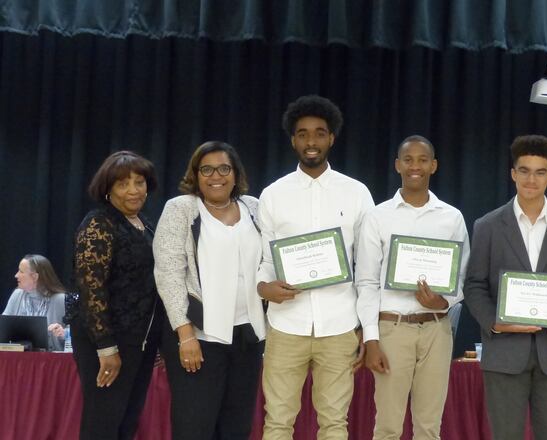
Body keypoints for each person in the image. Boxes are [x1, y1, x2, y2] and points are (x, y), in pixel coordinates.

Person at [256, 95, 374, 439]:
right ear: (293, 140)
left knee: (335, 424)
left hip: (339, 326)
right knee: (277, 422)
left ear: (331, 139)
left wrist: (367, 328)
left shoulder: (356, 193)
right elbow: (265, 262)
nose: (311, 141)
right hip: (285, 326)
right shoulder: (273, 194)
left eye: (319, 133)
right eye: (303, 134)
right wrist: (265, 289)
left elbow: (367, 269)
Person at [464, 135, 547, 440]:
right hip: (504, 356)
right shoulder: (488, 226)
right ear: (513, 173)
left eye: (539, 172)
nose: (531, 179)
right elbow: (475, 285)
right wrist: (495, 321)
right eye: (524, 170)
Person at [355, 136, 470, 439]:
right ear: (397, 165)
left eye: (422, 160)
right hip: (393, 328)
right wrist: (371, 338)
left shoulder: (452, 217)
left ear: (433, 165)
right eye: (408, 159)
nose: (415, 166)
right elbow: (366, 281)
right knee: (388, 426)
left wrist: (442, 303)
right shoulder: (377, 216)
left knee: (429, 426)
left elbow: (461, 278)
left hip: (436, 329)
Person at [153, 141, 266, 439]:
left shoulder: (254, 207)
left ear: (235, 172)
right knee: (194, 426)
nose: (216, 176)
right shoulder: (181, 209)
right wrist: (184, 333)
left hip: (248, 337)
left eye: (224, 168)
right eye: (207, 169)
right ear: (196, 174)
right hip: (199, 337)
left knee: (237, 426)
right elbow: (169, 273)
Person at [71, 151, 163, 440]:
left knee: (126, 421)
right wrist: (106, 348)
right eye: (123, 184)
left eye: (140, 182)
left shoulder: (144, 224)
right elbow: (91, 288)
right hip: (107, 340)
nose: (134, 190)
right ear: (108, 188)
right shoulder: (99, 223)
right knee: (103, 423)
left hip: (139, 340)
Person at [3, 254, 67, 350]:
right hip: (17, 359)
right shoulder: (17, 295)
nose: (16, 275)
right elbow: (3, 328)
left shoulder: (60, 299)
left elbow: (76, 335)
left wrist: (64, 333)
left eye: (21, 271)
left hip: (50, 360)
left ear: (35, 277)